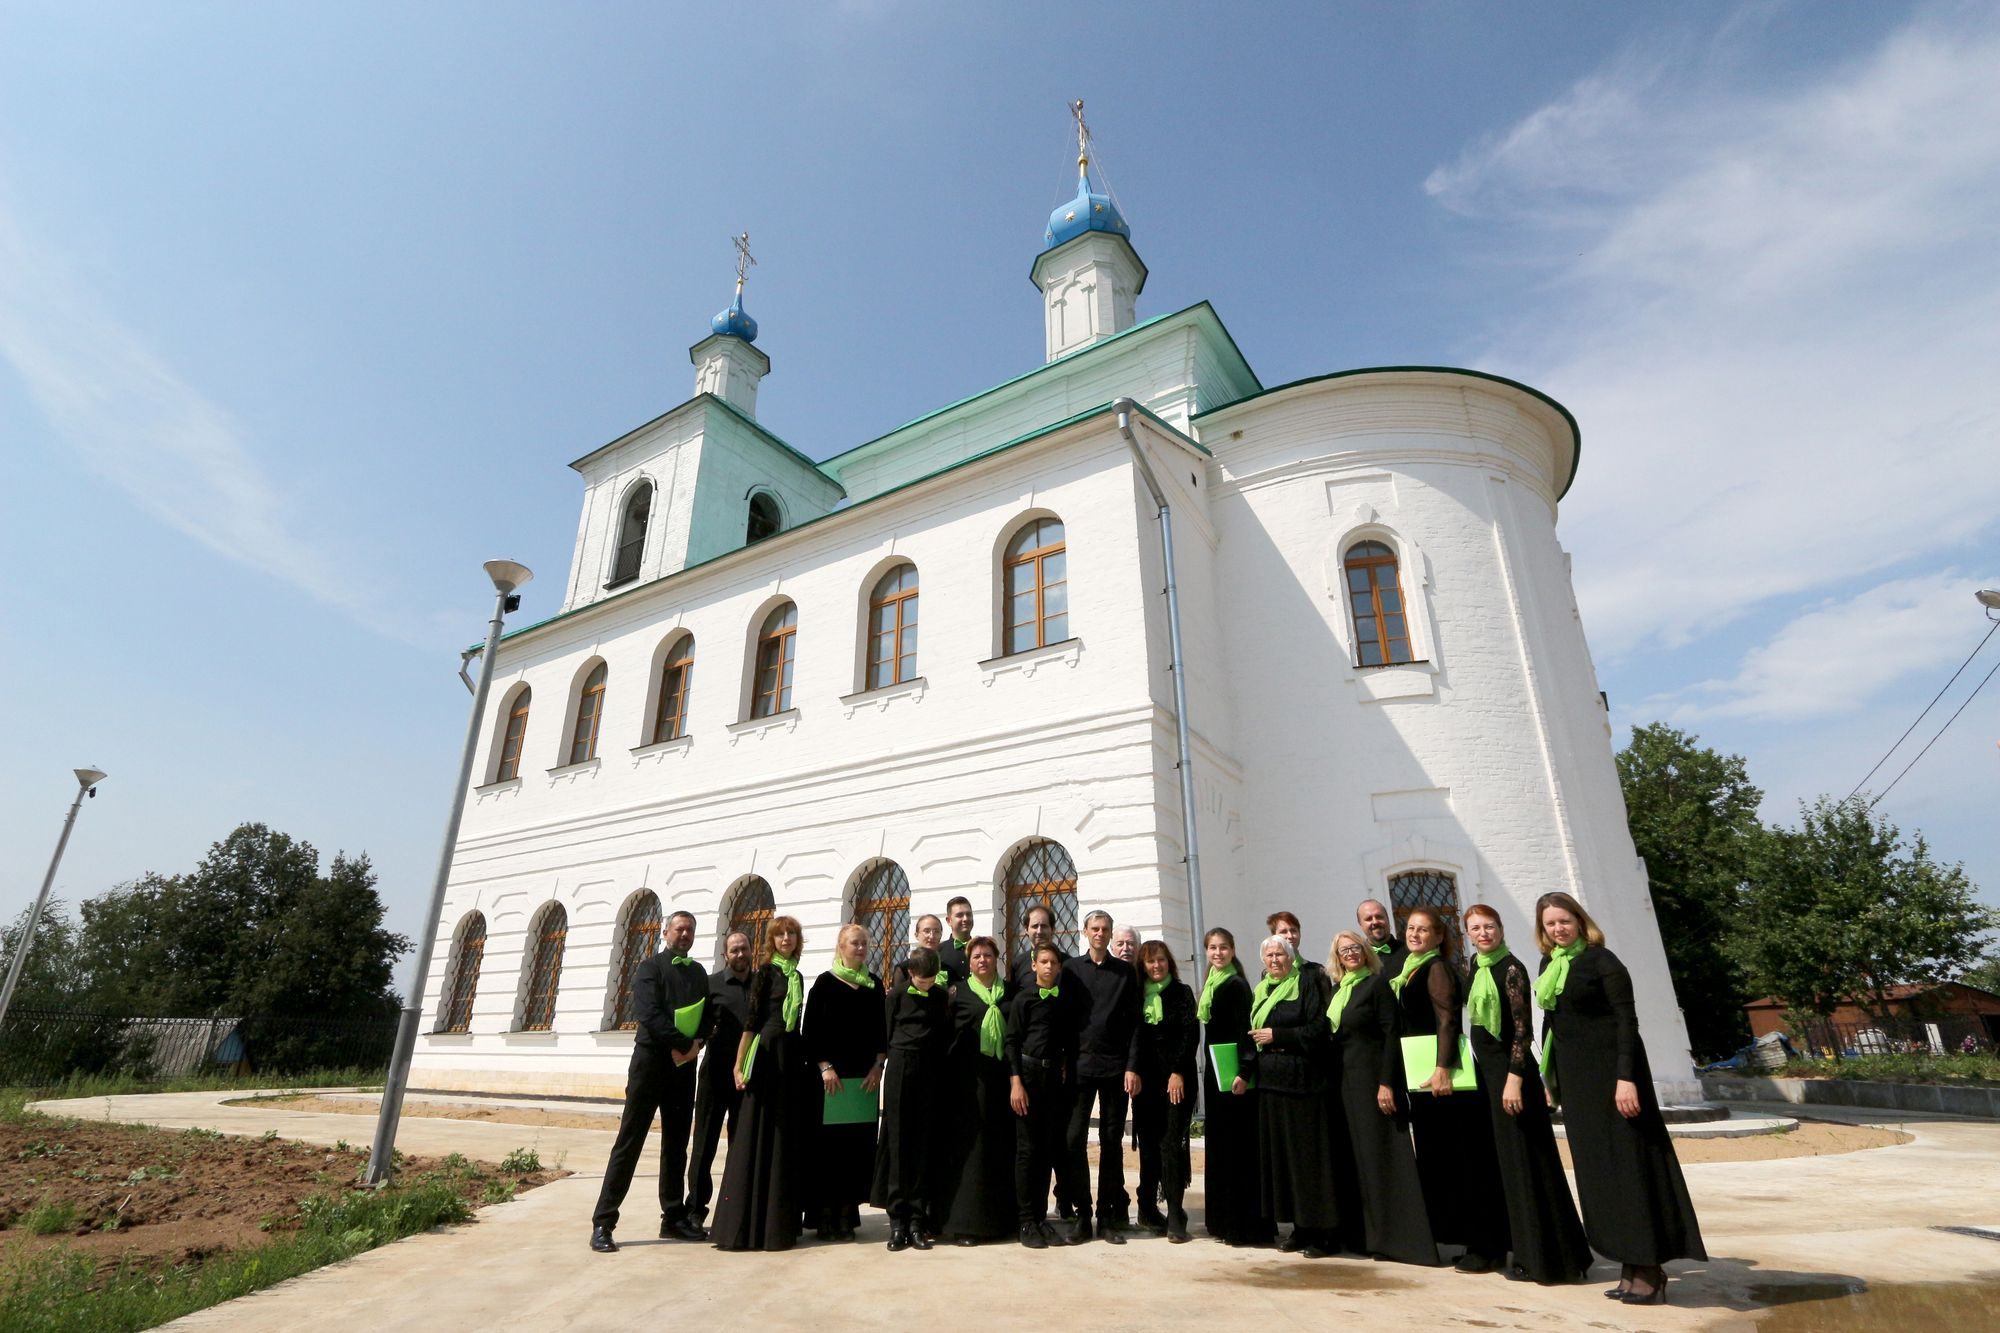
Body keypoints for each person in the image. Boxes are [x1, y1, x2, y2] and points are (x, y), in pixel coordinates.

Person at [1535, 891, 1707, 1305]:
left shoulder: (1603, 961)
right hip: (1578, 1083)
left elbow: (1627, 1022)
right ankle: (1631, 1264)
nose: (1558, 929)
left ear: (1580, 921)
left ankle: (1649, 1267)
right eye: (1550, 924)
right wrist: (1548, 1077)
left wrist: (1625, 1078)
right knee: (1601, 1171)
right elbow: (1552, 1025)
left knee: (1631, 1165)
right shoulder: (1550, 965)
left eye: (1564, 921)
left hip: (1613, 1076)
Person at [1462, 903, 1591, 1285]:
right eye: (1475, 928)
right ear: (1467, 934)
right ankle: (1529, 1250)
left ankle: (1545, 1259)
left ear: (1501, 929)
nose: (1483, 933)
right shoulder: (1476, 966)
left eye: (1489, 926)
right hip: (1490, 1076)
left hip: (1512, 1078)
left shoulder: (1511, 968)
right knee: (1510, 1168)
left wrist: (1514, 1078)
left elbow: (1522, 1029)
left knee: (1528, 1167)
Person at [590, 910, 714, 1253]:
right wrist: (683, 1044)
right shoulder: (650, 968)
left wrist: (697, 1043)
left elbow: (708, 1015)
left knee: (676, 1145)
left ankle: (672, 1218)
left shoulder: (698, 972)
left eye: (690, 930)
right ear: (665, 932)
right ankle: (603, 1222)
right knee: (629, 1142)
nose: (685, 934)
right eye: (679, 929)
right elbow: (648, 1013)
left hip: (683, 1067)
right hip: (650, 1064)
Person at [1395, 906, 1510, 1273]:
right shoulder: (1411, 969)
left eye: (1423, 929)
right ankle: (1471, 1238)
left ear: (1439, 937)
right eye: (1410, 928)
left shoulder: (1436, 968)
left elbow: (1447, 1019)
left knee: (1466, 1160)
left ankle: (1488, 1245)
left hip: (1446, 1080)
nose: (1414, 934)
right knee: (1444, 1161)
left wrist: (1443, 1068)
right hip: (1425, 1077)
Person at [1325, 930, 1437, 1266]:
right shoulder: (1338, 991)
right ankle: (1364, 1236)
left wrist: (1387, 1083)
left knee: (1381, 1157)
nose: (1350, 954)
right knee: (1357, 1160)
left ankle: (1399, 1239)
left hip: (1373, 1081)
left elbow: (1391, 1035)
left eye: (1355, 948)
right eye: (1344, 950)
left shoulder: (1377, 985)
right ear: (1337, 957)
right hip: (1346, 1084)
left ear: (1365, 951)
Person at [713, 916, 813, 1251]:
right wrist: (739, 1064)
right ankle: (748, 1226)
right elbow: (752, 1021)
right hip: (767, 1055)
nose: (786, 938)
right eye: (780, 934)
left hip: (790, 1057)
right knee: (757, 1133)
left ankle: (778, 1224)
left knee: (784, 1137)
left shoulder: (797, 976)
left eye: (791, 933)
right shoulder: (766, 973)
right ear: (772, 941)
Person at [1243, 934, 1341, 1257]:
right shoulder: (1262, 989)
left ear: (1291, 956)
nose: (1275, 960)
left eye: (1280, 954)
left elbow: (1318, 1027)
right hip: (1272, 1084)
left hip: (1303, 1082)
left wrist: (1278, 1035)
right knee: (1284, 1162)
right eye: (1269, 955)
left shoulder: (1306, 983)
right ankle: (1300, 1228)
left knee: (1308, 1161)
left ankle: (1323, 1233)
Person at [1062, 910, 1143, 1244]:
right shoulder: (1071, 970)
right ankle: (1082, 1213)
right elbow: (1064, 1019)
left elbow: (1135, 1023)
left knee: (1111, 1143)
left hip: (1114, 1069)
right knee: (1073, 1139)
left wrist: (1132, 1066)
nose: (1099, 933)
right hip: (1079, 1067)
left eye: (1104, 929)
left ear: (1110, 935)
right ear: (1085, 932)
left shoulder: (1124, 973)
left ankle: (1107, 1216)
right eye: (1094, 928)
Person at [805, 922, 888, 1240]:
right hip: (831, 1081)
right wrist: (825, 1067)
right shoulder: (824, 984)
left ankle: (847, 1216)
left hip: (864, 1082)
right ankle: (825, 1217)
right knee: (829, 1150)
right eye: (855, 943)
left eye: (864, 943)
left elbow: (882, 1030)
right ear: (841, 947)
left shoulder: (874, 985)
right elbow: (811, 1030)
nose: (861, 948)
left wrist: (878, 1066)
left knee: (856, 1150)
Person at [935, 936, 1018, 1245]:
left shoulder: (1010, 993)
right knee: (971, 1152)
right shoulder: (957, 993)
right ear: (969, 962)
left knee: (1000, 1148)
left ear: (997, 959)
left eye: (988, 955)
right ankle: (967, 1224)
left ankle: (1001, 1222)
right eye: (977, 956)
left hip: (1002, 1081)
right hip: (967, 1084)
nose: (982, 960)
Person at [1008, 943, 1087, 1248]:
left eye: (1054, 962)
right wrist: (1016, 1082)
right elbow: (1012, 1041)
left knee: (1046, 1149)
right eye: (1044, 962)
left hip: (1053, 1078)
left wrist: (1065, 1063)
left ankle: (1041, 1218)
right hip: (1027, 1077)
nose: (1049, 967)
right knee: (1027, 1150)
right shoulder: (1023, 999)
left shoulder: (1063, 1000)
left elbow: (1069, 1039)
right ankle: (1026, 1220)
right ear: (1034, 966)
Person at [1196, 927, 1271, 1247]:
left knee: (1237, 1149)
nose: (1218, 953)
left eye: (1223, 947)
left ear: (1233, 950)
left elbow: (1245, 1031)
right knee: (1221, 1146)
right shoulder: (1211, 984)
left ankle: (1243, 1225)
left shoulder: (1236, 984)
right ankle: (1223, 1221)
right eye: (1212, 948)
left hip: (1235, 1076)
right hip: (1216, 1073)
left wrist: (1244, 1070)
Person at [874, 945, 951, 1251]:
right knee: (898, 1144)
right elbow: (886, 1033)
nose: (927, 985)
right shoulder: (895, 995)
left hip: (929, 1069)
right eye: (922, 980)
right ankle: (897, 1221)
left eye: (931, 980)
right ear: (910, 973)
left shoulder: (941, 996)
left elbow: (942, 1033)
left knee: (922, 1144)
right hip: (901, 1068)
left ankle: (918, 1221)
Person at [1130, 939, 1197, 1242]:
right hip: (1146, 1082)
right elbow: (1133, 1038)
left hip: (1175, 1080)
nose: (1156, 966)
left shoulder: (1181, 993)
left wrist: (1178, 1072)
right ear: (1143, 967)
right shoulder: (1138, 996)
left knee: (1171, 1144)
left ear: (1169, 962)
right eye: (1150, 961)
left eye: (1161, 960)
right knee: (1148, 1145)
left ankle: (1175, 1213)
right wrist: (1132, 1070)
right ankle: (1146, 1206)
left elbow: (1190, 1035)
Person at [686, 928, 752, 1231]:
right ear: (726, 955)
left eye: (744, 948)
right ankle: (695, 1209)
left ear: (751, 951)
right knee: (704, 1143)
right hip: (714, 1073)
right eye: (734, 950)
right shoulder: (711, 985)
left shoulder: (759, 985)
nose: (740, 954)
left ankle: (735, 1210)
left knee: (741, 1144)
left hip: (747, 1077)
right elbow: (697, 1025)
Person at [1009, 902, 1065, 991]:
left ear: (1052, 929)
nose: (1039, 931)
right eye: (1035, 926)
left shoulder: (1067, 963)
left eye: (1044, 926)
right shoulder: (1018, 964)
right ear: (1026, 930)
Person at [1267, 911, 1324, 982]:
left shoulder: (1317, 971)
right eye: (1284, 932)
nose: (1290, 936)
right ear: (1274, 937)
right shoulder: (1269, 974)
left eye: (1293, 931)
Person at [1357, 899, 1408, 975]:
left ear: (1388, 919)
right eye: (1369, 919)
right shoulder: (1358, 959)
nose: (1375, 922)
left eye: (1379, 917)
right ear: (1361, 925)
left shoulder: (1409, 951)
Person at [939, 896, 977, 982]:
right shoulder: (938, 952)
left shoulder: (983, 951)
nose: (965, 919)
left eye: (968, 914)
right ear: (949, 921)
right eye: (960, 915)